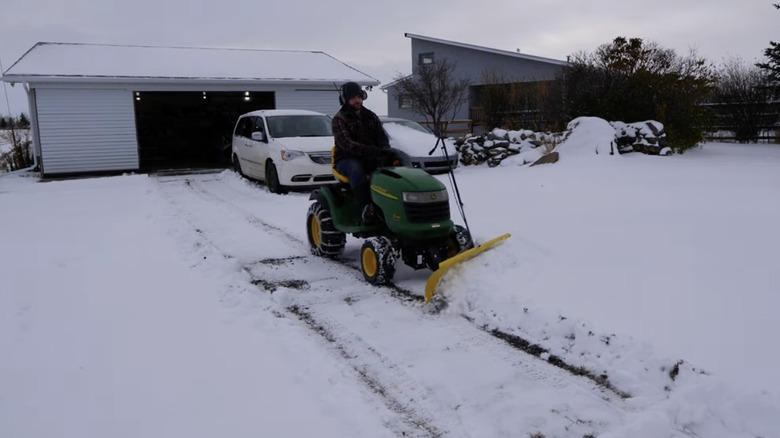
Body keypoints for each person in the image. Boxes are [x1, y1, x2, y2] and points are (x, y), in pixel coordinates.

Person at [332, 81, 395, 225]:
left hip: (370, 155)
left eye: (359, 97)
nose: (357, 100)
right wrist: (367, 150)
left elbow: (381, 136)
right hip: (346, 158)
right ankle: (366, 208)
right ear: (346, 100)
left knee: (393, 166)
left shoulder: (371, 116)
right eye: (353, 98)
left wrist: (385, 149)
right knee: (356, 169)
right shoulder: (339, 119)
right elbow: (345, 143)